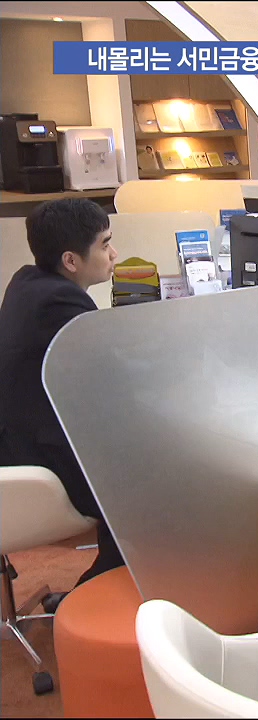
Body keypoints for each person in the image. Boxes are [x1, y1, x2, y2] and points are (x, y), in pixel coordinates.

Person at [0, 198, 122, 586]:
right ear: (71, 260)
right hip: (34, 463)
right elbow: (112, 369)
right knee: (142, 481)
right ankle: (98, 591)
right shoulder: (60, 301)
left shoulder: (27, 281)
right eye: (105, 244)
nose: (114, 254)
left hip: (16, 443)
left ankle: (100, 582)